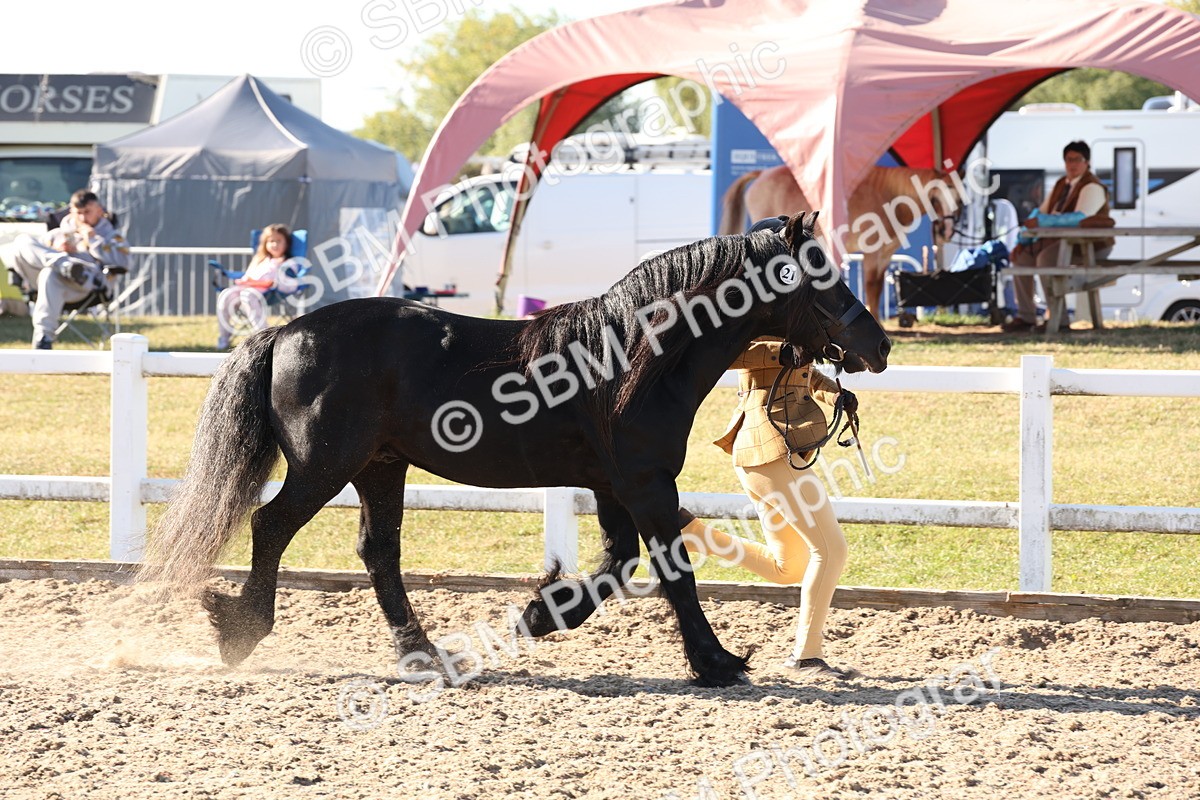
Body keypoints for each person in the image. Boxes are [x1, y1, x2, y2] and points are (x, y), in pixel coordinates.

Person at [678, 220, 860, 680]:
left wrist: (834, 393)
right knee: (832, 552)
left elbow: (804, 374)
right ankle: (808, 654)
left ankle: (693, 536)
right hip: (769, 448)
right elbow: (732, 353)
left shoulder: (791, 313)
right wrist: (782, 355)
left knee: (788, 566)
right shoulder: (748, 313)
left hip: (768, 456)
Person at [1001, 141, 1115, 333]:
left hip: (1089, 246)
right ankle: (1026, 317)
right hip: (1059, 242)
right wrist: (1023, 240)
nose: (1072, 164)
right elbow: (1040, 213)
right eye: (1069, 160)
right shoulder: (1062, 184)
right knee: (1021, 258)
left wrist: (1041, 223)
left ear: (1087, 162)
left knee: (1046, 259)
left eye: (1077, 160)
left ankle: (1058, 318)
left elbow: (1079, 219)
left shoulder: (1093, 186)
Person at [1, 189, 129, 349]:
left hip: (88, 286)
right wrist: (56, 250)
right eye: (79, 213)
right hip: (51, 283)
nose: (83, 218)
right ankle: (64, 264)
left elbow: (123, 263)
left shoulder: (111, 236)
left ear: (99, 210)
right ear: (71, 212)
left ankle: (43, 340)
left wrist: (92, 239)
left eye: (87, 212)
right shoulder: (57, 234)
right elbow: (28, 253)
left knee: (49, 273)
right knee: (22, 241)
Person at [216, 223, 299, 350]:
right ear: (265, 243)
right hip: (248, 290)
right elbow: (248, 277)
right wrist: (243, 281)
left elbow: (286, 284)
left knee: (248, 294)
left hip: (270, 293)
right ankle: (224, 336)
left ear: (286, 244)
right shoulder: (259, 260)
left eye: (279, 241)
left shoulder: (289, 263)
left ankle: (264, 338)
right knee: (226, 294)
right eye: (271, 241)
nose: (275, 244)